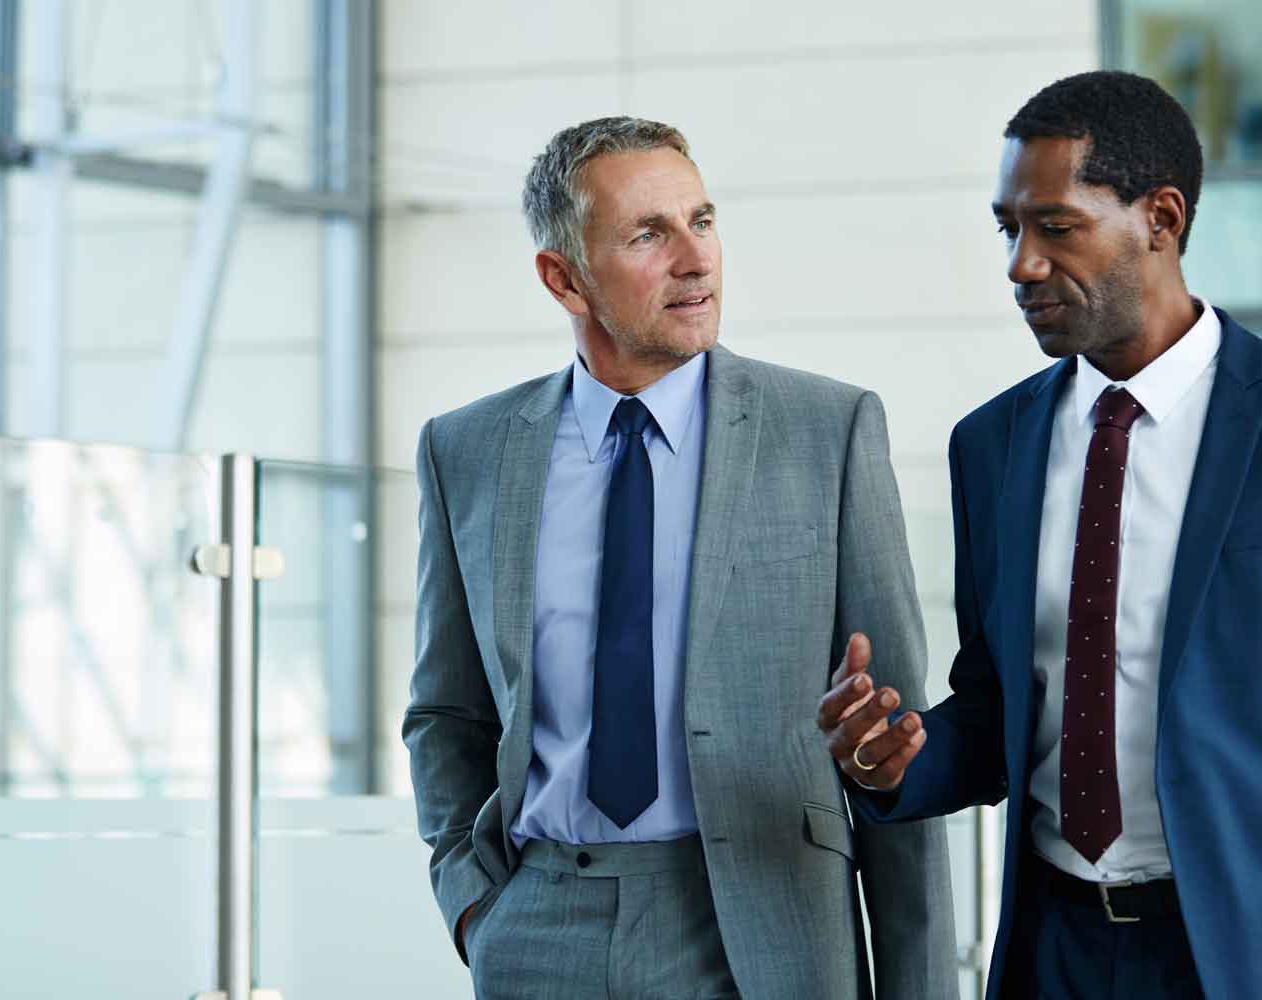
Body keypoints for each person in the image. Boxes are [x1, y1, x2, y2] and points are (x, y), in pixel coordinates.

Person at [818, 71, 1262, 999]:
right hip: (1056, 956)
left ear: (1160, 216)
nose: (1020, 265)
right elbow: (1004, 702)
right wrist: (899, 760)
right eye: (1010, 229)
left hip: (1261, 959)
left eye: (1056, 227)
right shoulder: (991, 446)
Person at [404, 116, 957, 1000]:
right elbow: (446, 712)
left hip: (766, 929)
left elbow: (896, 736)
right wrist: (474, 905)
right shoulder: (465, 452)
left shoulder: (828, 431)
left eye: (701, 221)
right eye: (648, 235)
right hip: (540, 925)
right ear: (564, 278)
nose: (695, 260)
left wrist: (919, 986)